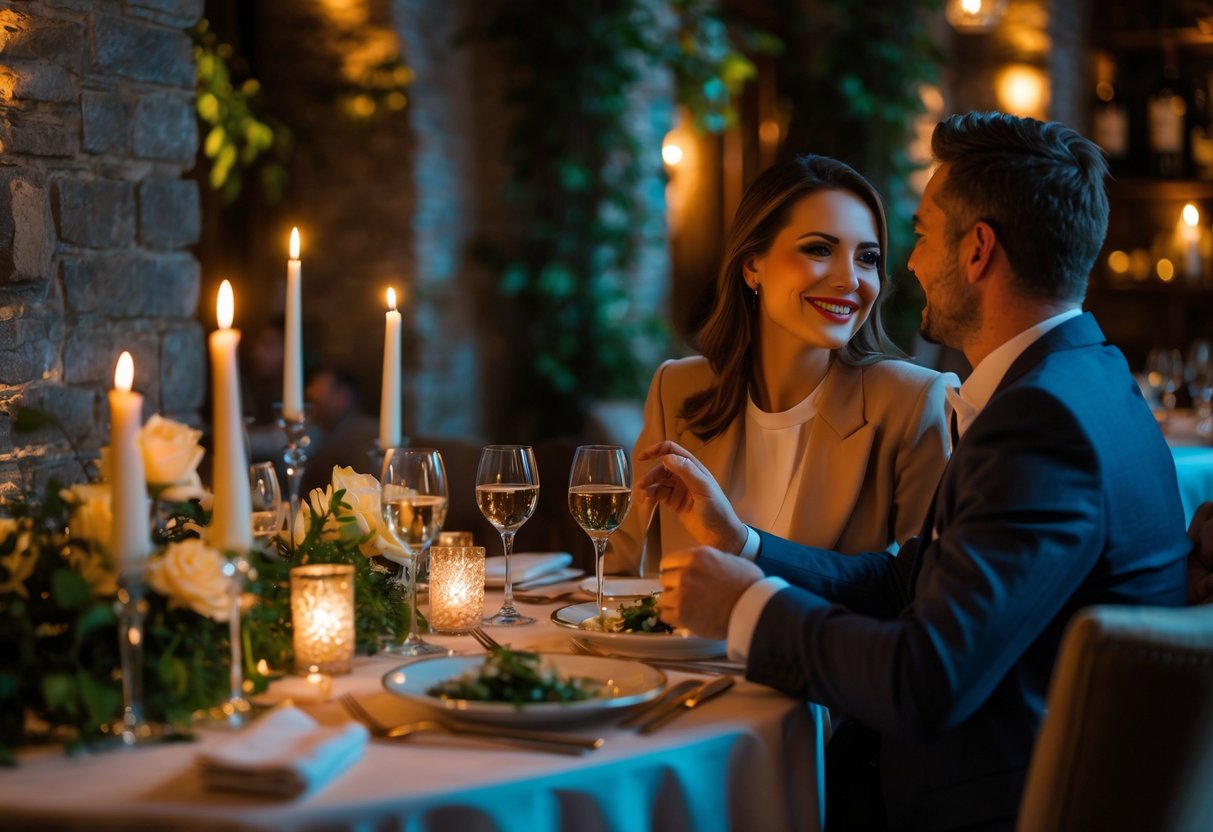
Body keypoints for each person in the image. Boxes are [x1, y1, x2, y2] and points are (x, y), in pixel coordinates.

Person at [641, 112, 1190, 831]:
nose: (906, 264)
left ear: (977, 251)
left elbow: (921, 681)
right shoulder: (1088, 379)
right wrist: (746, 547)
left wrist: (747, 609)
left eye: (922, 234)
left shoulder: (1040, 424)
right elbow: (913, 581)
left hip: (985, 806)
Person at [607, 155, 955, 577]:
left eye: (867, 258)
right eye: (819, 249)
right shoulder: (677, 387)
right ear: (753, 266)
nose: (850, 279)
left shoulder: (911, 402)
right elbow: (619, 574)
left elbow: (931, 590)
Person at [300, 367, 378, 492]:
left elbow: (367, 488)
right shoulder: (322, 433)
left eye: (320, 395)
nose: (311, 395)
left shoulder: (366, 435)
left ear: (344, 397)